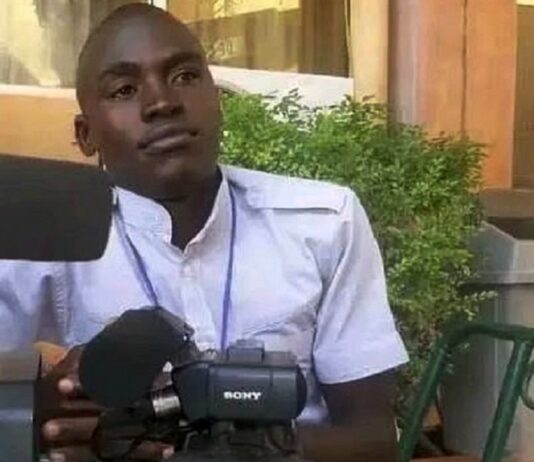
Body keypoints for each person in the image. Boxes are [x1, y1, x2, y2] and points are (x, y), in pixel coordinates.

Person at [0, 4, 408, 461]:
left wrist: (253, 451)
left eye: (185, 76)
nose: (162, 103)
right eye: (125, 89)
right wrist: (35, 412)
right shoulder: (48, 233)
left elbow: (374, 438)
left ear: (218, 101)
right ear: (85, 134)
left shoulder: (324, 221)